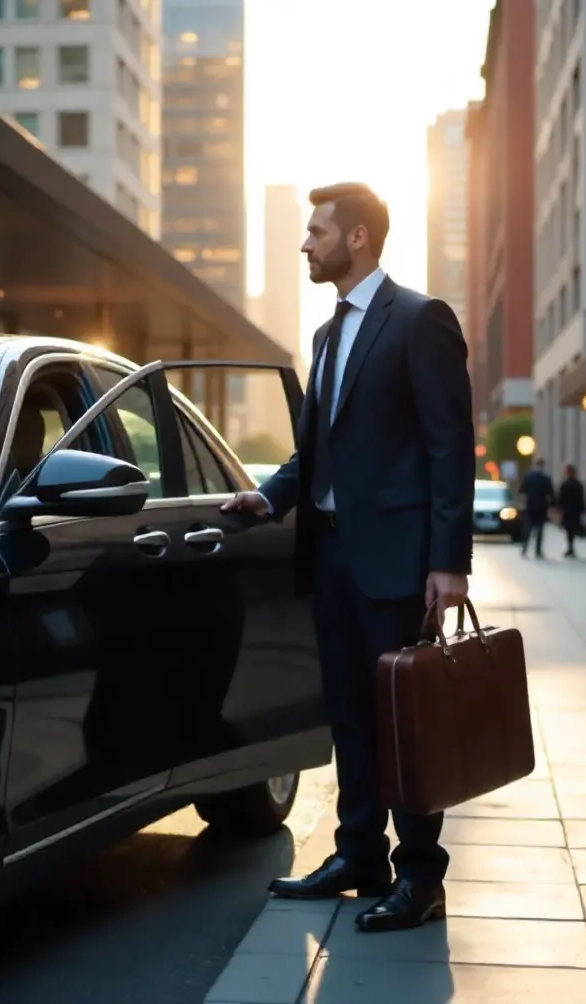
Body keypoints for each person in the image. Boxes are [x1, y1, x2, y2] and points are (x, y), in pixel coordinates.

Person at [221, 182, 474, 933]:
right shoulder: (329, 337)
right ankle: (358, 853)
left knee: (404, 719)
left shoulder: (420, 320)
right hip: (330, 557)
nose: (305, 243)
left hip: (397, 561)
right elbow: (316, 450)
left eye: (317, 231)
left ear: (357, 238)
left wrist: (448, 560)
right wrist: (268, 497)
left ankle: (420, 877)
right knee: (350, 718)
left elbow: (448, 446)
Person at [518, 458, 554, 559]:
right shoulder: (545, 478)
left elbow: (521, 490)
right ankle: (538, 550)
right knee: (540, 529)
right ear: (543, 465)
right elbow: (550, 493)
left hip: (530, 506)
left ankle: (524, 548)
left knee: (528, 528)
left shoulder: (528, 477)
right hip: (541, 507)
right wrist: (553, 505)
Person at [557, 462, 586, 559]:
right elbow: (581, 498)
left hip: (568, 510)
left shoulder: (565, 484)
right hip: (575, 510)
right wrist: (583, 508)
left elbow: (561, 498)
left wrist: (559, 509)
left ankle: (570, 548)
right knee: (572, 529)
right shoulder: (578, 484)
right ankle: (571, 547)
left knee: (569, 530)